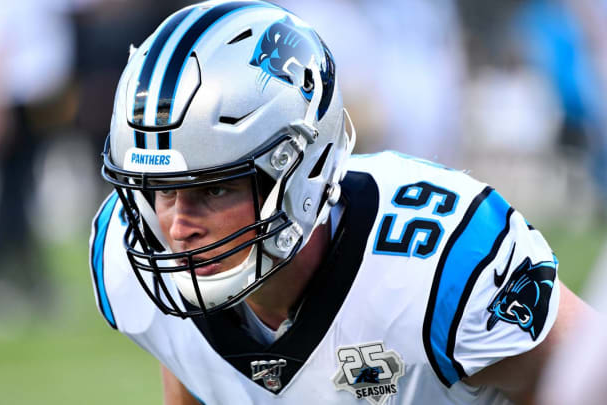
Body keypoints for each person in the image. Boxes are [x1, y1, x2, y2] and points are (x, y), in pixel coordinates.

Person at [89, 1, 589, 403]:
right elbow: (192, 365)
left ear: (298, 172)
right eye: (161, 191)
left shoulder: (440, 262)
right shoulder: (128, 254)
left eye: (214, 189)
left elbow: (588, 375)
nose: (176, 228)